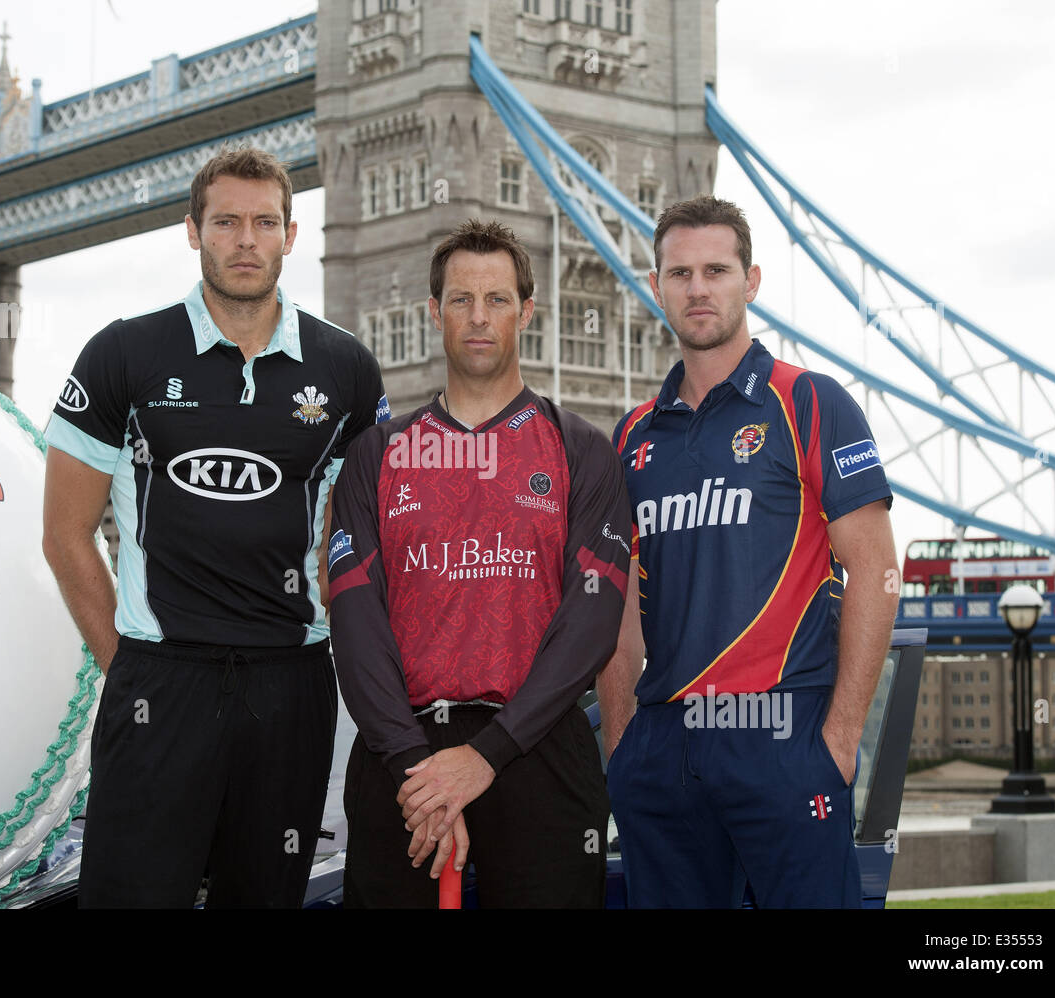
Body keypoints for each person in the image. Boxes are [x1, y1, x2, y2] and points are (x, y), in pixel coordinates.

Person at [41, 147, 387, 908]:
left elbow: (359, 535)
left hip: (291, 685)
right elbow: (65, 535)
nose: (245, 240)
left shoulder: (347, 369)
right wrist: (128, 665)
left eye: (265, 223)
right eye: (225, 221)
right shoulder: (122, 353)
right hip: (161, 682)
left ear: (291, 236)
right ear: (192, 231)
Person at [601, 195, 899, 908]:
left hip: (780, 735)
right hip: (664, 743)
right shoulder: (632, 437)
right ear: (656, 287)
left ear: (751, 281)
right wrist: (621, 750)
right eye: (680, 274)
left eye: (716, 270)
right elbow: (620, 613)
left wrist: (839, 737)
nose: (698, 288)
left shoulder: (812, 402)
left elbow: (879, 574)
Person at [327, 219, 631, 908]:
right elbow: (355, 623)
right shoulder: (377, 455)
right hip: (399, 762)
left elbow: (590, 623)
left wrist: (483, 757)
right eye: (461, 300)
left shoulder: (581, 449)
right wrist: (419, 770)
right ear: (433, 312)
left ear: (527, 311)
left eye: (497, 300)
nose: (478, 318)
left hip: (537, 749)